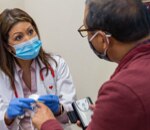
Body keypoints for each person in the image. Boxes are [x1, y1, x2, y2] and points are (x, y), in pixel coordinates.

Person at [31, 0, 150, 130]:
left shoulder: (121, 90)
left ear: (102, 39)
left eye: (86, 31)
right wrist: (106, 117)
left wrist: (47, 124)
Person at [0, 8, 76, 130]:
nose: (28, 39)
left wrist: (59, 109)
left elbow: (72, 113)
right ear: (8, 48)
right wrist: (7, 117)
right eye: (18, 37)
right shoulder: (1, 75)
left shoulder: (56, 64)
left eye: (30, 32)